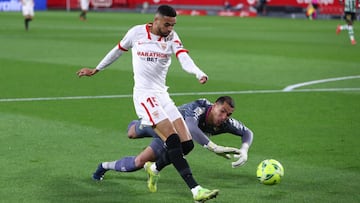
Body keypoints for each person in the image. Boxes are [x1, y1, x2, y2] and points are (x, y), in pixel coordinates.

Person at [77, 5, 220, 202]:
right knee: (172, 140)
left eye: (173, 25)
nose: (170, 28)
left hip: (162, 94)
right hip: (145, 96)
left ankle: (154, 168)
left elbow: (183, 57)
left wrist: (198, 72)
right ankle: (196, 190)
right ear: (156, 20)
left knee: (186, 145)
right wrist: (96, 69)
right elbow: (118, 50)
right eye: (167, 24)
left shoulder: (172, 37)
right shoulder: (136, 33)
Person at [92, 96, 253, 187]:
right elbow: (191, 126)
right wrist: (214, 147)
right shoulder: (199, 107)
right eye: (222, 111)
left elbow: (247, 132)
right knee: (131, 133)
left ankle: (103, 166)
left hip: (171, 139)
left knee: (139, 162)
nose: (224, 117)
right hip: (161, 124)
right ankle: (139, 121)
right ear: (214, 106)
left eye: (228, 114)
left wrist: (244, 149)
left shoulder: (224, 123)